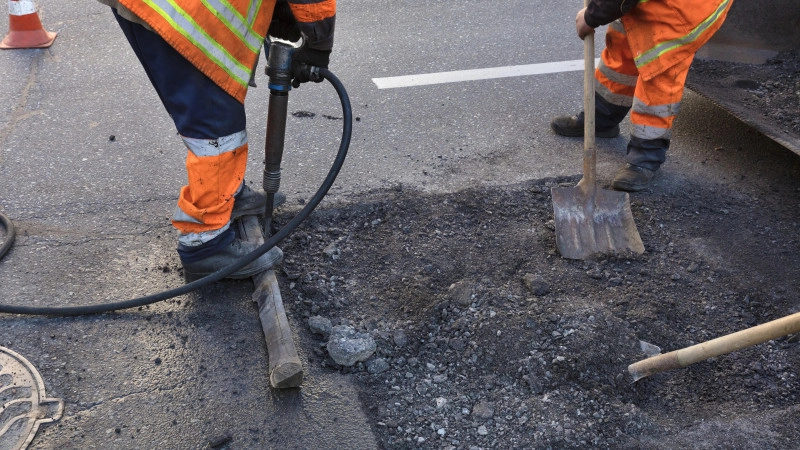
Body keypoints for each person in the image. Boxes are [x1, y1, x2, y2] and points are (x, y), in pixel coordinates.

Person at [95, 0, 335, 278]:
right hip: (182, 10)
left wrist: (282, 18)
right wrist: (317, 41)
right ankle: (205, 244)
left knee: (217, 104)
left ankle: (226, 194)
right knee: (215, 121)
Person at [551, 0, 732, 191]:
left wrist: (591, 16)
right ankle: (601, 118)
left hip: (682, 11)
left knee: (659, 68)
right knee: (624, 40)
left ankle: (645, 156)